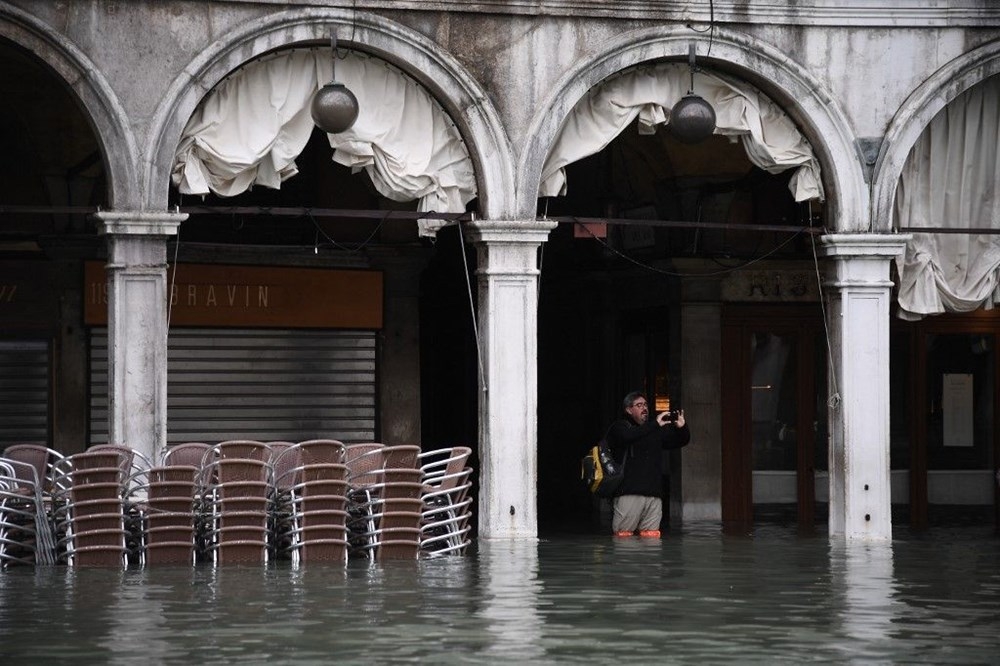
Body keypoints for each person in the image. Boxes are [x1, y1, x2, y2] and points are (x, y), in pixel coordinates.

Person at [606, 391, 690, 538]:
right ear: (628, 410)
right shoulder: (620, 427)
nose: (644, 408)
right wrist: (655, 424)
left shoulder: (655, 431)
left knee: (651, 540)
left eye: (645, 405)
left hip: (653, 496)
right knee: (624, 540)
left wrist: (681, 428)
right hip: (629, 494)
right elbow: (629, 436)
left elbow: (680, 441)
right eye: (639, 405)